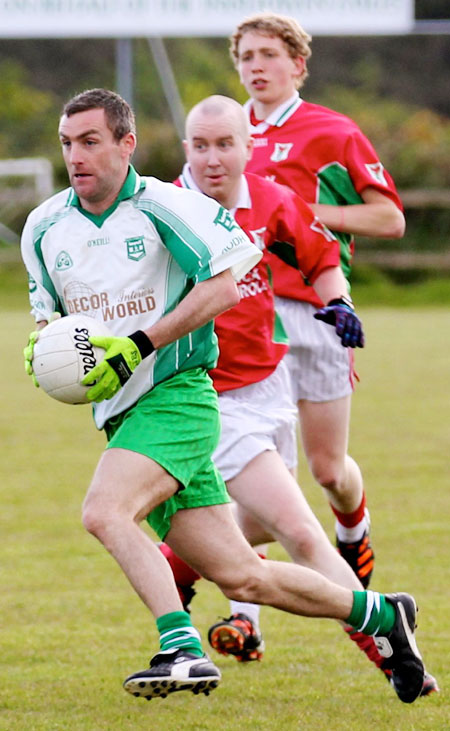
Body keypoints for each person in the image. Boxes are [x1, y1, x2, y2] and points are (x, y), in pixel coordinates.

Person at [22, 88, 426, 705]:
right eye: (68, 143)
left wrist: (139, 344)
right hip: (122, 413)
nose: (76, 156)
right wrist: (47, 350)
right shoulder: (45, 227)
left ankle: (180, 647)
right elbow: (53, 321)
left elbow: (226, 286)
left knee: (104, 511)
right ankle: (380, 615)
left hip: (178, 397)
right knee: (243, 575)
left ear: (126, 144)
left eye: (91, 141)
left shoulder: (166, 207)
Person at [158, 94, 437, 698]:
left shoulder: (272, 199)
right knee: (302, 533)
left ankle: (175, 566)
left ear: (248, 147)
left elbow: (321, 258)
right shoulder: (162, 210)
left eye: (225, 144)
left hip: (269, 387)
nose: (212, 158)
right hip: (212, 398)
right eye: (200, 146)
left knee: (249, 528)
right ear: (186, 151)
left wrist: (339, 303)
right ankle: (388, 643)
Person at [228, 10, 410, 594]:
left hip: (321, 311)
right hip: (250, 318)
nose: (256, 66)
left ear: (298, 66)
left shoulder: (331, 130)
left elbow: (389, 218)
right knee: (259, 475)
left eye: (268, 55)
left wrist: (302, 215)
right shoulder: (229, 137)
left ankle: (353, 530)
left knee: (329, 471)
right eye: (246, 57)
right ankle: (243, 617)